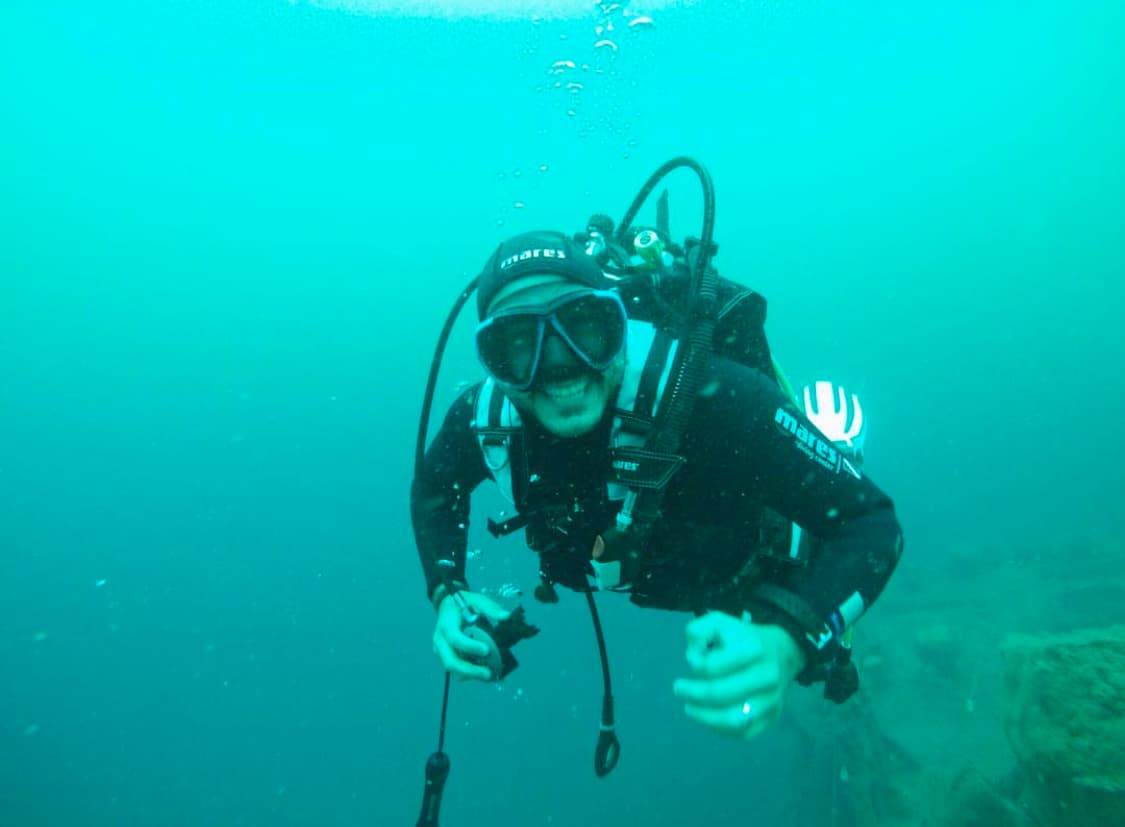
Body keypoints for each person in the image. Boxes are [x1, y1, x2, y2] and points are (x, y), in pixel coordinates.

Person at [411, 226, 904, 747]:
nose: (558, 366)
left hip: (744, 567)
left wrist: (789, 640)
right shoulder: (482, 419)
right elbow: (434, 491)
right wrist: (449, 592)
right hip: (661, 564)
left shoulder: (715, 395)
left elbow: (872, 522)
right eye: (517, 342)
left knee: (812, 650)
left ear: (617, 323)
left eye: (583, 327)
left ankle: (828, 441)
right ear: (493, 363)